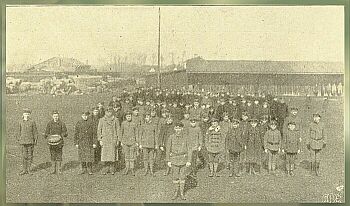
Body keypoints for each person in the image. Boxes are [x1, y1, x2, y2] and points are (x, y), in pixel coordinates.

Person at [166, 122, 192, 200]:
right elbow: (168, 149)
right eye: (176, 128)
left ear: (182, 129)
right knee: (175, 176)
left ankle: (182, 193)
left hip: (183, 159)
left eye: (179, 128)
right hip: (174, 159)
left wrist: (189, 160)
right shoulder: (171, 137)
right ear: (174, 129)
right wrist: (168, 160)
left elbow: (189, 149)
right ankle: (176, 192)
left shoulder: (186, 137)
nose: (178, 130)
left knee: (182, 176)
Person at [97, 107, 120, 175]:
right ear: (105, 112)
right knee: (105, 154)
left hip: (113, 139)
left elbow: (118, 130)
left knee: (112, 154)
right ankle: (106, 168)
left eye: (110, 112)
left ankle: (112, 167)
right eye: (107, 112)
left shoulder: (116, 120)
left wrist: (118, 140)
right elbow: (99, 130)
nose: (108, 113)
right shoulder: (102, 120)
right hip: (105, 139)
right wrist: (100, 139)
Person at [44, 110, 68, 174]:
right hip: (51, 143)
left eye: (57, 116)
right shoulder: (49, 123)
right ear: (52, 116)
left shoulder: (62, 123)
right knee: (53, 155)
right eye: (54, 116)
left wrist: (62, 135)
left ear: (58, 116)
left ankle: (59, 170)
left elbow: (65, 132)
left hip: (59, 142)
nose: (56, 117)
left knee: (59, 155)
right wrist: (46, 136)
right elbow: (47, 132)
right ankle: (53, 170)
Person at [74, 110, 97, 175]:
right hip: (81, 142)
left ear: (88, 116)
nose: (85, 117)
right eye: (84, 115)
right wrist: (76, 143)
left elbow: (94, 134)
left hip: (89, 142)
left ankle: (89, 169)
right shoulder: (79, 123)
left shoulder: (91, 123)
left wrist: (95, 143)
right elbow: (76, 133)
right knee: (82, 156)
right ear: (81, 116)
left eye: (86, 115)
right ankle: (83, 169)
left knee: (89, 156)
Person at [17, 108, 38, 175]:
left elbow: (35, 131)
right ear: (23, 114)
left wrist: (35, 140)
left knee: (30, 156)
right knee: (24, 156)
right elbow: (18, 131)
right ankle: (24, 170)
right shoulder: (20, 121)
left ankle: (29, 169)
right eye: (25, 114)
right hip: (23, 141)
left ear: (29, 114)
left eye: (28, 114)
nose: (26, 115)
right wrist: (19, 139)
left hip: (30, 141)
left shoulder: (32, 121)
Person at [139, 112, 158, 176]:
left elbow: (156, 135)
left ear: (150, 118)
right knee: (145, 158)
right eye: (146, 117)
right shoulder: (143, 125)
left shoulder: (154, 125)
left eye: (148, 117)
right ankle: (146, 170)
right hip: (144, 144)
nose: (147, 118)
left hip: (152, 144)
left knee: (151, 158)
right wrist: (140, 143)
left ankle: (152, 170)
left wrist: (156, 144)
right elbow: (140, 135)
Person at [120, 111, 138, 176]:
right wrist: (121, 141)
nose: (128, 117)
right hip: (125, 142)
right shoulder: (123, 123)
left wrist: (137, 142)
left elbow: (136, 133)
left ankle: (132, 168)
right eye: (127, 116)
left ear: (131, 116)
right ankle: (127, 168)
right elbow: (121, 133)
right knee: (126, 155)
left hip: (133, 142)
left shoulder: (134, 123)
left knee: (132, 156)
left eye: (129, 116)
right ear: (125, 117)